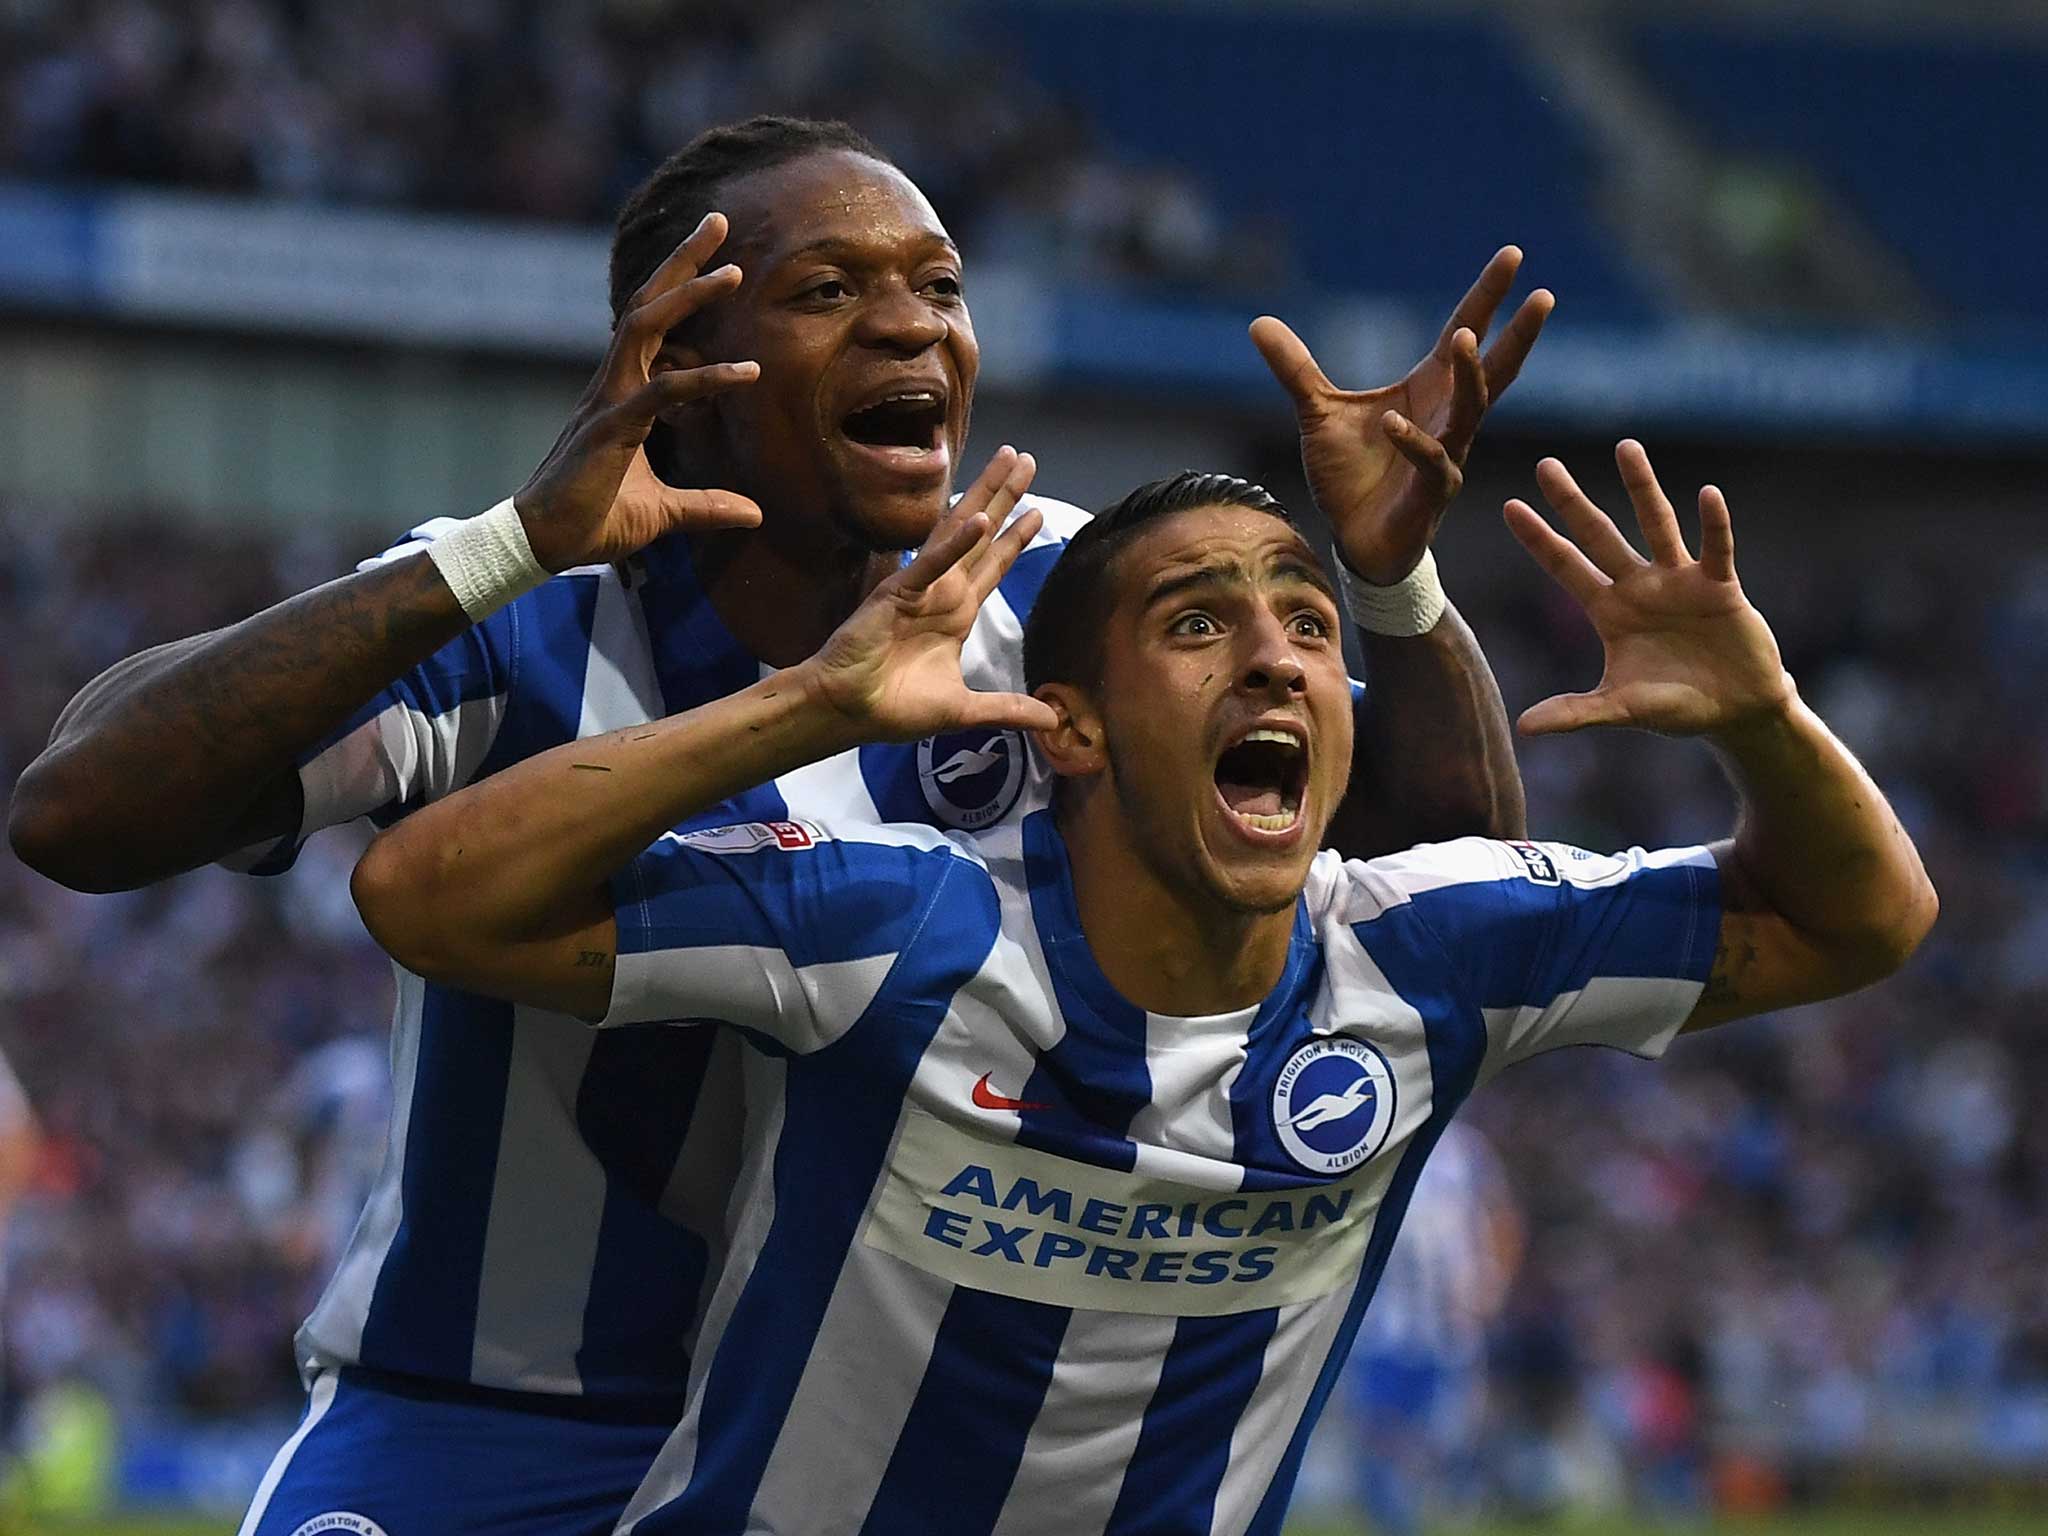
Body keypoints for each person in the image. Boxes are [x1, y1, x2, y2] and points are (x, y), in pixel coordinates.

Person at [9, 116, 1547, 1534]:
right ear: (685, 358)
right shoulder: (528, 608)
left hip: (869, 1451)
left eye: (940, 285)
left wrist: (1396, 586)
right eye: (829, 288)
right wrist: (507, 542)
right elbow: (80, 812)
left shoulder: (1063, 604)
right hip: (488, 1423)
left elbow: (1444, 901)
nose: (912, 325)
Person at [350, 441, 1936, 1535]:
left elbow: (1856, 921)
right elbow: (423, 895)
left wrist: (1766, 718)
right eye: (1199, 625)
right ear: (1076, 725)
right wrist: (802, 711)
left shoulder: (1432, 950)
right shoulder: (906, 935)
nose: (1274, 661)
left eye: (1308, 627)